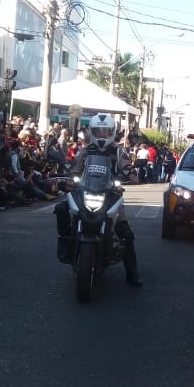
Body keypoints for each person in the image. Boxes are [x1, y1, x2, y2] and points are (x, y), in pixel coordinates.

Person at [54, 113, 142, 287]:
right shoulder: (86, 151)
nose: (102, 135)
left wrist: (131, 174)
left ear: (112, 132)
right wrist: (70, 179)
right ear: (92, 132)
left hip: (111, 194)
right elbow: (75, 168)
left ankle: (132, 274)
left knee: (126, 233)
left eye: (106, 131)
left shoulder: (118, 150)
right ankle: (66, 244)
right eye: (98, 131)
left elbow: (126, 165)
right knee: (62, 209)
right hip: (86, 192)